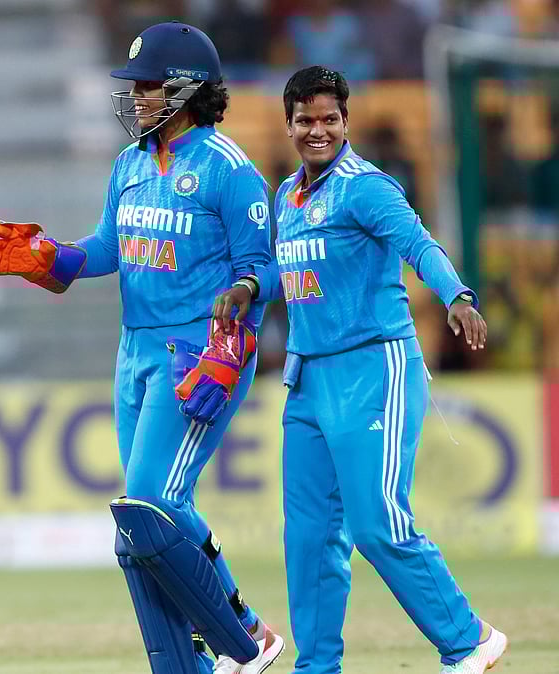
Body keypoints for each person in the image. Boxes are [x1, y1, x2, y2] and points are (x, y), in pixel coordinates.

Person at [0, 21, 283, 674]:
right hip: (136, 355)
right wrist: (44, 256)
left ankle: (246, 641)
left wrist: (245, 292)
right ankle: (196, 658)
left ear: (188, 91)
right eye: (135, 87)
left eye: (148, 87)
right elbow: (105, 252)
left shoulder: (229, 169)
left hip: (202, 352)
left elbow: (266, 269)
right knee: (140, 524)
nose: (136, 98)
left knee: (150, 502)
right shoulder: (129, 165)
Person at [212, 65, 507, 674]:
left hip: (373, 367)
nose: (317, 131)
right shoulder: (286, 195)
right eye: (305, 120)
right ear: (288, 124)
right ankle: (317, 667)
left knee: (376, 523)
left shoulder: (367, 187)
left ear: (346, 122)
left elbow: (418, 244)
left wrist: (458, 296)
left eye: (329, 119)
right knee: (309, 539)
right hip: (308, 380)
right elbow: (285, 273)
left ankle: (468, 638)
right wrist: (248, 285)